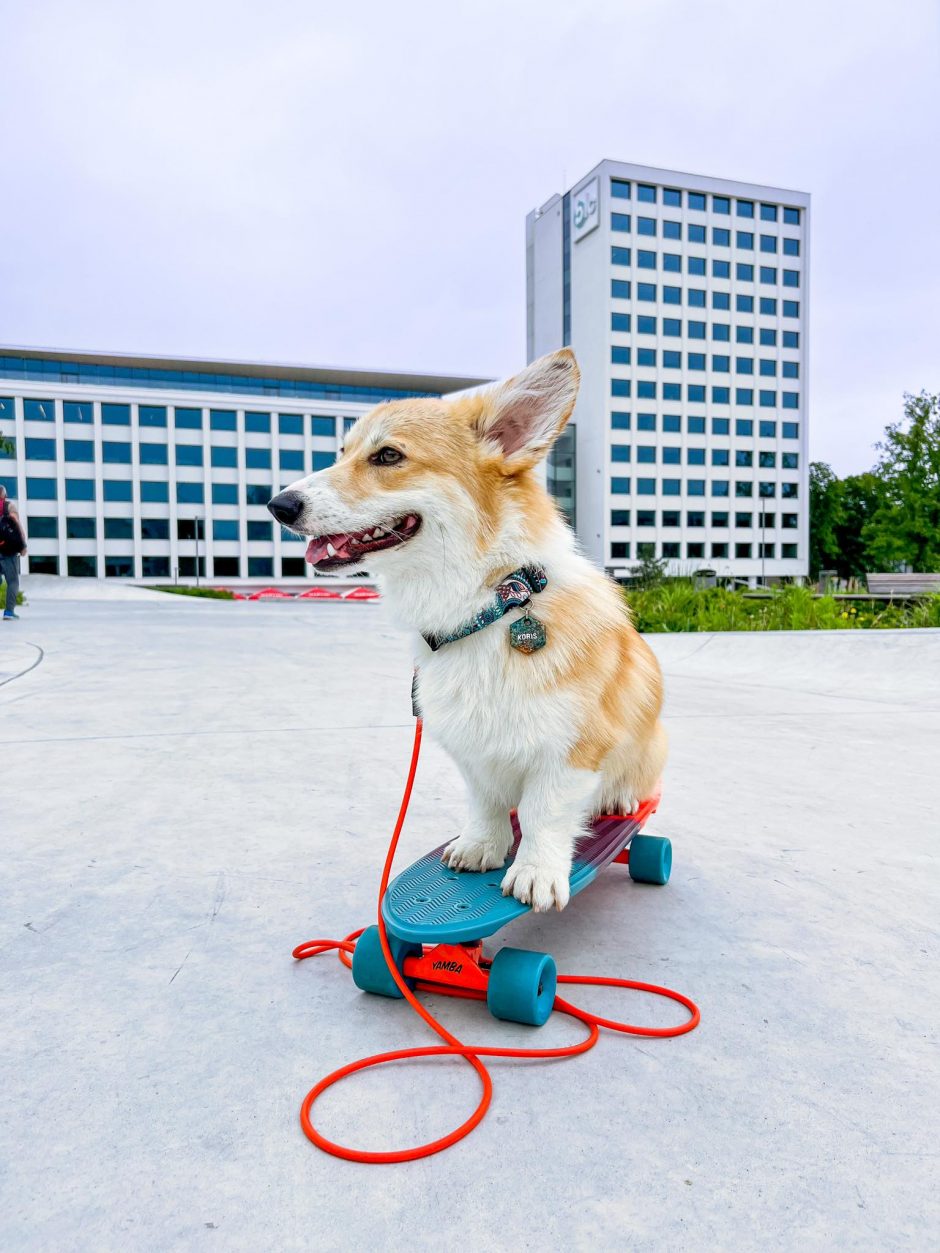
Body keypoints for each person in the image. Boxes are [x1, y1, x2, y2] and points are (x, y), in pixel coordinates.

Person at [0, 484, 27, 621]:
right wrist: (23, 544)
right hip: (7, 551)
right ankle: (9, 612)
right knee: (13, 582)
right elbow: (16, 523)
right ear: (4, 495)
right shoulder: (8, 506)